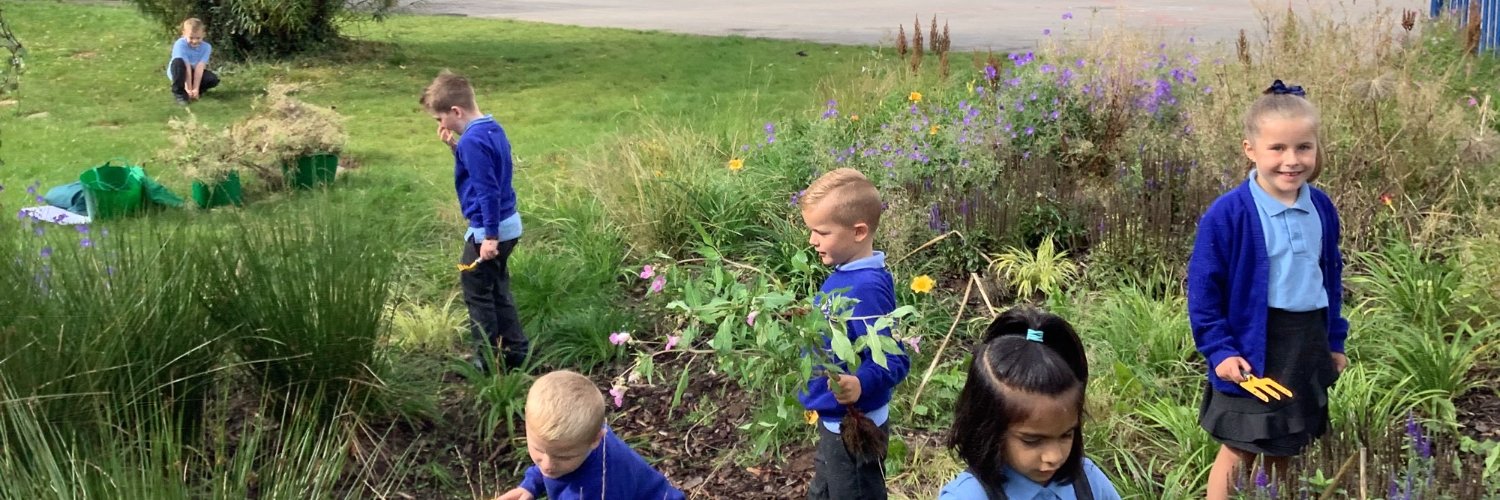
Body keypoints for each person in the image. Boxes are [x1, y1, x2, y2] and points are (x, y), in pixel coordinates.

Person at [1188, 80, 1350, 500]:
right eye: (1277, 148)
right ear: (1250, 149)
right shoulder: (1229, 215)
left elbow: (1329, 279)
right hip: (1253, 344)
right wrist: (1220, 351)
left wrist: (1334, 340)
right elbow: (1204, 291)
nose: (1291, 161)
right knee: (1241, 445)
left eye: (1303, 148)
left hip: (1305, 342)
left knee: (1287, 442)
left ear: (1316, 148)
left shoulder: (1321, 207)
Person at [795, 168, 910, 500]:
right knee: (823, 493)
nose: (812, 240)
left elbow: (895, 358)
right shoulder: (845, 274)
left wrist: (860, 384)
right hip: (833, 421)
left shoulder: (868, 289)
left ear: (858, 231)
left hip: (856, 427)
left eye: (821, 232)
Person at [939, 307, 1121, 500]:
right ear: (988, 431)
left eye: (1066, 435)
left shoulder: (1088, 480)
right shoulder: (969, 496)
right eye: (1032, 441)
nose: (1054, 457)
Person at [421, 70, 529, 373]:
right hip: (510, 225)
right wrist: (454, 147)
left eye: (440, 119)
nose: (441, 125)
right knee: (497, 288)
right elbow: (487, 169)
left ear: (456, 111)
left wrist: (489, 238)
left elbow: (487, 190)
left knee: (477, 293)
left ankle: (486, 361)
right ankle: (516, 351)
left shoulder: (473, 141)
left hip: (489, 230)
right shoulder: (491, 129)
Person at [494, 370, 685, 500]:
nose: (548, 465)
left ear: (596, 440)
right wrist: (530, 486)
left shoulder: (601, 486)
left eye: (564, 457)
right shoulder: (575, 441)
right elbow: (548, 463)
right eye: (538, 450)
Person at [166, 18, 219, 106]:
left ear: (203, 35)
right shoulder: (180, 44)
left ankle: (196, 92)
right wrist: (188, 88)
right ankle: (179, 93)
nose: (194, 41)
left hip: (193, 71)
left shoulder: (207, 47)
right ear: (184, 34)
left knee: (212, 79)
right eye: (191, 38)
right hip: (180, 71)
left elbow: (200, 67)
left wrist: (196, 88)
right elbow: (186, 67)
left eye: (198, 38)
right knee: (178, 62)